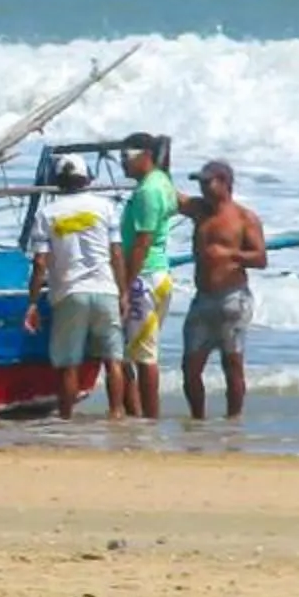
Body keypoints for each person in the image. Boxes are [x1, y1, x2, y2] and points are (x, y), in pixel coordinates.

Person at [24, 157, 125, 418]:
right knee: (113, 360)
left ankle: (66, 419)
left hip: (70, 293)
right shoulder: (106, 208)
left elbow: (40, 262)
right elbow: (116, 254)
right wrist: (123, 293)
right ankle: (116, 414)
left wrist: (33, 302)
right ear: (87, 178)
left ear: (57, 182)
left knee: (69, 365)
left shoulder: (47, 214)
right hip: (106, 289)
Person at [179, 160, 269, 419]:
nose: (203, 188)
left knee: (232, 365)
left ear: (225, 183)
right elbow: (171, 196)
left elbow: (261, 258)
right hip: (202, 297)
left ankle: (234, 419)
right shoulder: (199, 210)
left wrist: (229, 253)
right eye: (200, 183)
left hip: (233, 298)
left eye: (208, 182)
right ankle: (198, 420)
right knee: (190, 367)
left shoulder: (244, 217)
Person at [116, 132, 177, 418]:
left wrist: (125, 287)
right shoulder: (162, 182)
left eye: (126, 157)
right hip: (156, 274)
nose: (122, 164)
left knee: (142, 356)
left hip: (145, 277)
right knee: (135, 351)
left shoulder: (147, 192)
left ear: (145, 157)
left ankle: (149, 420)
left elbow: (142, 242)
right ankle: (138, 415)